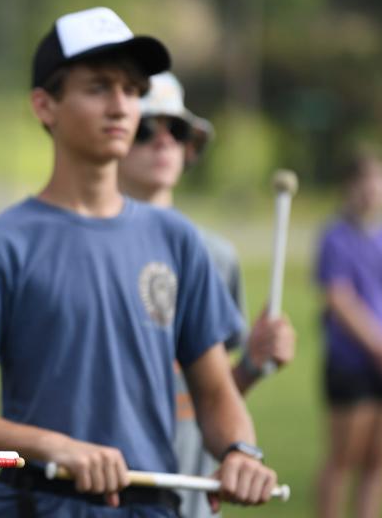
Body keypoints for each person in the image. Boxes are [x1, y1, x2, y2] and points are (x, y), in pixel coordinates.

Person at [0, 7, 279, 517]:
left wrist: (241, 451)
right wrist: (54, 446)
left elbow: (217, 391)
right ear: (45, 105)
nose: (121, 106)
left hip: (154, 505)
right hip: (39, 503)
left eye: (132, 90)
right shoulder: (0, 247)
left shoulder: (176, 239)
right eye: (98, 88)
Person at [117, 72, 296, 518]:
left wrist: (252, 365)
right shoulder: (80, 250)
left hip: (189, 492)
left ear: (188, 147)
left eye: (175, 130)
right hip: (102, 494)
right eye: (145, 129)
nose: (163, 143)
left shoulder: (216, 256)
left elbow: (208, 393)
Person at [314, 150, 382, 518]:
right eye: (364, 183)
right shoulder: (336, 237)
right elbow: (339, 297)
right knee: (343, 460)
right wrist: (377, 344)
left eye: (380, 181)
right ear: (349, 189)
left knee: (378, 462)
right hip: (351, 363)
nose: (372, 191)